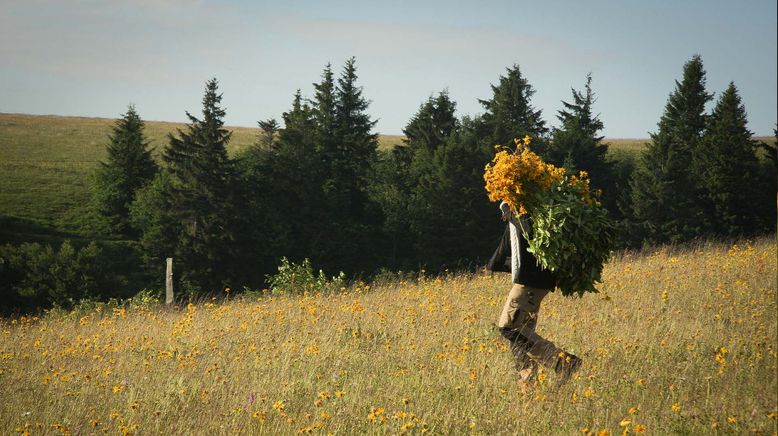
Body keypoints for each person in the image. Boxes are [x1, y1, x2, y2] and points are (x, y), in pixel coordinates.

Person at [495, 201, 581, 385]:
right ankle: (528, 388)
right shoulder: (527, 211)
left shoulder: (526, 212)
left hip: (530, 283)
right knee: (520, 340)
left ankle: (562, 362)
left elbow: (527, 229)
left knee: (509, 327)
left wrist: (510, 212)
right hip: (533, 282)